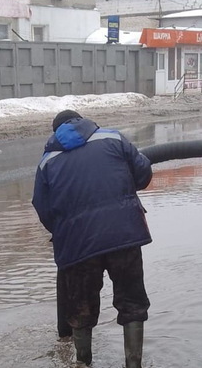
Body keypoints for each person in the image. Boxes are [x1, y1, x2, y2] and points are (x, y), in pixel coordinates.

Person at [32, 109, 153, 368]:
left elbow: (42, 208)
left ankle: (83, 362)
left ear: (57, 132)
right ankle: (134, 365)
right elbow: (143, 175)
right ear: (83, 122)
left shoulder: (47, 161)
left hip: (77, 247)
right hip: (124, 236)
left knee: (80, 307)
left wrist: (65, 229)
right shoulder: (114, 139)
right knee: (132, 302)